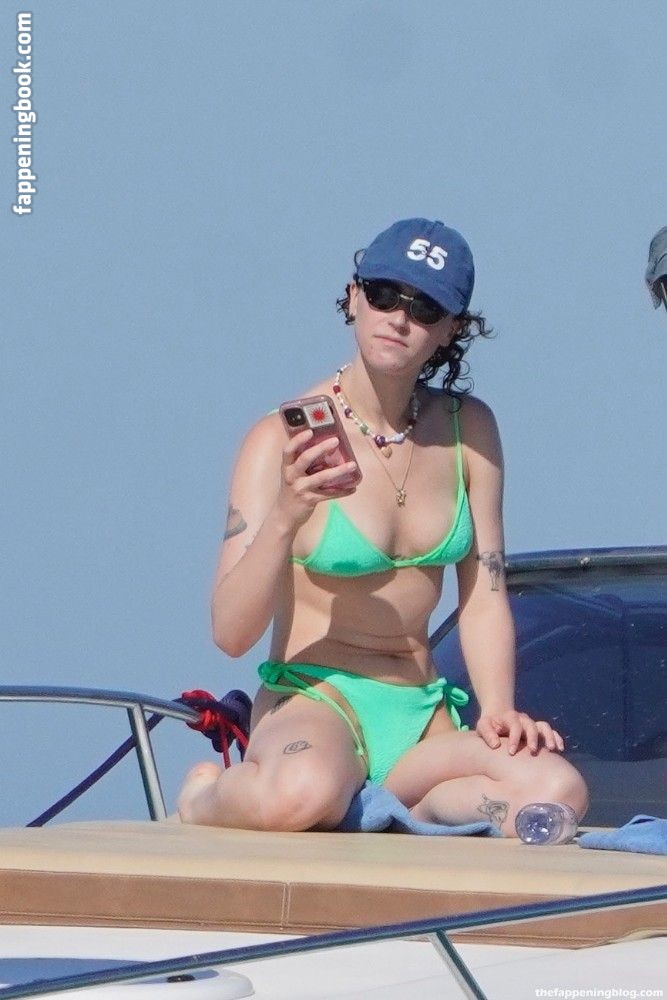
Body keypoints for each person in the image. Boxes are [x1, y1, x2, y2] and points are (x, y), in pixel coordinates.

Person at [178, 217, 589, 835]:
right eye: (383, 294)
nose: (398, 318)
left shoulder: (469, 430)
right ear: (353, 298)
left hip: (422, 713)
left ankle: (413, 809)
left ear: (451, 330)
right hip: (316, 700)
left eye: (424, 308)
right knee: (304, 793)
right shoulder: (279, 439)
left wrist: (500, 711)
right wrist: (287, 515)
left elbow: (483, 594)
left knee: (556, 791)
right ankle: (203, 796)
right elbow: (231, 634)